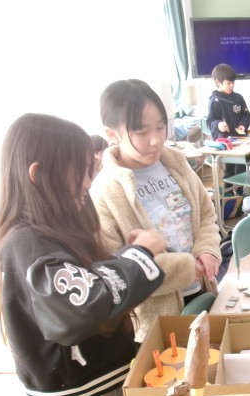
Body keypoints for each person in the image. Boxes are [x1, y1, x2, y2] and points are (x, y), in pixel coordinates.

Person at [0, 113, 167, 396]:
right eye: (80, 172)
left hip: (98, 394)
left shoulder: (47, 233)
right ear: (39, 174)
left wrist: (127, 256)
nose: (88, 182)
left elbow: (86, 283)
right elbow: (82, 306)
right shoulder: (26, 241)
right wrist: (139, 255)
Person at [92, 79, 222, 343]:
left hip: (203, 292)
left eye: (161, 127)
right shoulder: (106, 192)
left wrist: (208, 249)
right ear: (112, 134)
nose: (155, 140)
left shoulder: (175, 162)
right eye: (141, 132)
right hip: (157, 320)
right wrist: (184, 268)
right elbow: (117, 272)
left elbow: (206, 214)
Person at [207, 63, 250, 188]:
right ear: (218, 82)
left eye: (233, 82)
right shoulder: (214, 100)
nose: (232, 85)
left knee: (242, 167)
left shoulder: (238, 98)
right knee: (229, 169)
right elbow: (210, 121)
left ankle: (240, 192)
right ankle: (228, 191)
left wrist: (243, 125)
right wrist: (218, 125)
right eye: (228, 83)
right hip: (226, 143)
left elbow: (246, 116)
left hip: (241, 140)